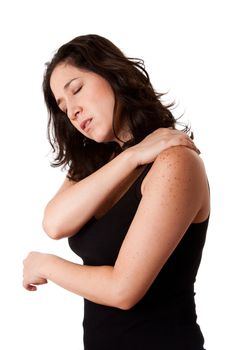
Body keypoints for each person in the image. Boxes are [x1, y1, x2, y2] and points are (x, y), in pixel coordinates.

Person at [23, 34, 210, 350]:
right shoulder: (99, 162)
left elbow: (123, 291)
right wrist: (130, 156)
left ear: (114, 74)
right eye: (64, 106)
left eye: (77, 89)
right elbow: (54, 223)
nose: (73, 111)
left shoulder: (174, 160)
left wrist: (46, 265)